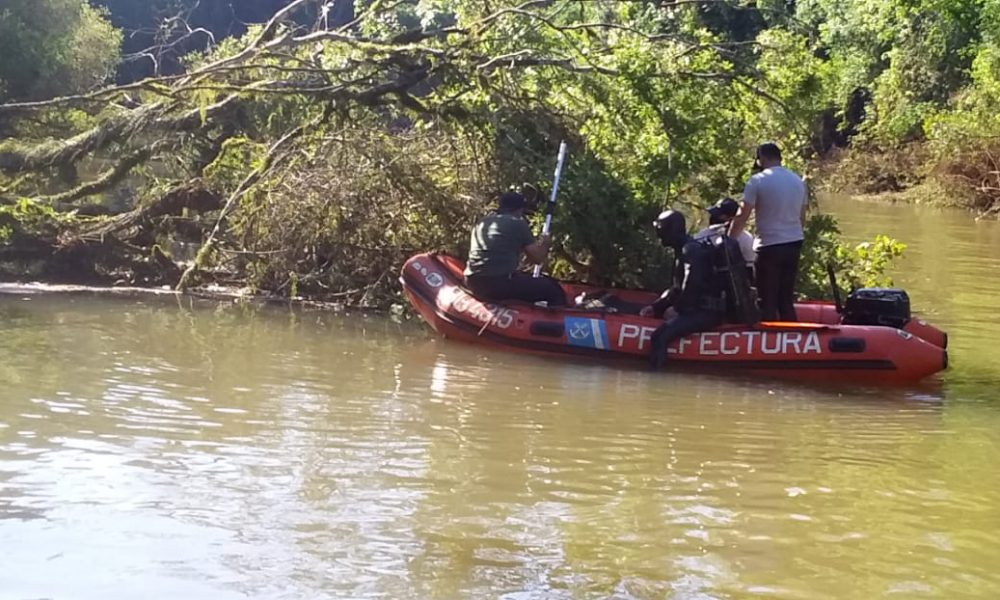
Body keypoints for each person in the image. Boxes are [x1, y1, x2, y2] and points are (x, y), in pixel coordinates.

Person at [729, 142, 807, 321]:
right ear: (779, 158)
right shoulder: (797, 181)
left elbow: (742, 215)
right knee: (786, 300)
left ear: (761, 158)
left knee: (767, 301)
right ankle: (791, 342)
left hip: (769, 246)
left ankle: (768, 341)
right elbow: (802, 217)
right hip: (794, 244)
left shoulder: (757, 181)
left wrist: (730, 240)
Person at [640, 210, 726, 369]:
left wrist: (677, 310)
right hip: (699, 309)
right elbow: (676, 288)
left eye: (661, 231)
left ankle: (655, 382)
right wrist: (656, 307)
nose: (659, 236)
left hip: (705, 312)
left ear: (671, 230)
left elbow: (692, 285)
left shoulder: (691, 251)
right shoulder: (685, 250)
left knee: (659, 337)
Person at [464, 191, 567, 306]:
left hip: (472, 281)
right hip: (497, 284)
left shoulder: (483, 222)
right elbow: (537, 259)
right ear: (519, 209)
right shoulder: (517, 223)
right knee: (552, 289)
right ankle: (561, 317)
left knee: (522, 279)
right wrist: (546, 243)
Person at [695, 197, 755, 275]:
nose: (714, 217)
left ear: (731, 218)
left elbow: (749, 267)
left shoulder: (745, 239)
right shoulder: (705, 234)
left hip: (733, 282)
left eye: (719, 215)